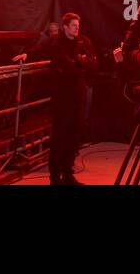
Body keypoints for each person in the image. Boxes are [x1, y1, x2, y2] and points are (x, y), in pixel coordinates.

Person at [15, 12, 97, 184]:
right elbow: (39, 50)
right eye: (74, 25)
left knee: (74, 134)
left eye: (78, 25)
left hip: (78, 93)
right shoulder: (55, 42)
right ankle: (55, 176)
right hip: (62, 95)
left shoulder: (83, 41)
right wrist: (27, 55)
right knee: (59, 135)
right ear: (65, 26)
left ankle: (67, 172)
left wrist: (82, 62)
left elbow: (93, 62)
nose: (77, 29)